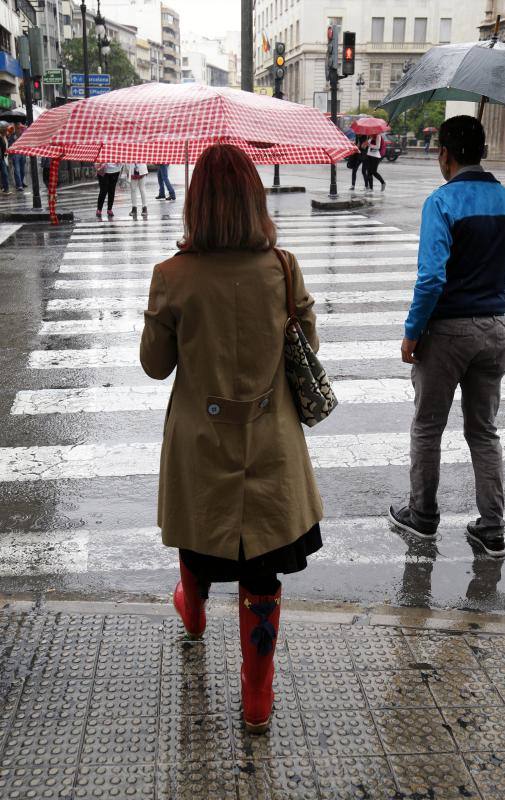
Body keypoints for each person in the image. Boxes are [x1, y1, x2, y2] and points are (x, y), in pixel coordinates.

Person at [140, 143, 323, 734]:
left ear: (196, 203)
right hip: (269, 447)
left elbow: (154, 365)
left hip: (201, 443)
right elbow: (309, 349)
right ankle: (257, 697)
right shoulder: (282, 266)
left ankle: (191, 611)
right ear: (253, 200)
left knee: (198, 535)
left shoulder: (172, 276)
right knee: (261, 571)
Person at [389, 115, 505, 559]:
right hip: (494, 329)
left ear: (444, 153)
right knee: (484, 431)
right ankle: (491, 528)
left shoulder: (442, 202)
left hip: (447, 332)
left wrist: (413, 332)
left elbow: (430, 278)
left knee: (428, 427)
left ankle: (423, 516)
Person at [9, 122, 26, 191]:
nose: (19, 128)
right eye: (18, 126)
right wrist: (13, 136)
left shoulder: (22, 133)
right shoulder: (12, 133)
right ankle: (19, 185)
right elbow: (10, 144)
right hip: (15, 153)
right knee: (17, 169)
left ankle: (21, 182)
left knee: (22, 170)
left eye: (19, 127)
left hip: (22, 152)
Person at [0, 123, 10, 194]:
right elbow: (3, 147)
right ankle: (5, 189)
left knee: (4, 173)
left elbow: (4, 147)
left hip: (2, 158)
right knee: (4, 173)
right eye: (6, 130)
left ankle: (5, 188)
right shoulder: (1, 138)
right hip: (1, 158)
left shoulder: (4, 137)